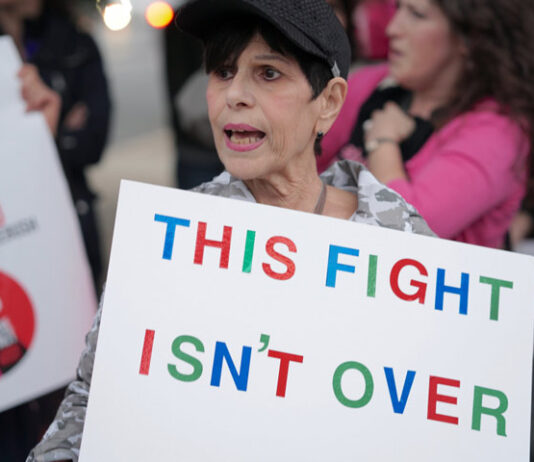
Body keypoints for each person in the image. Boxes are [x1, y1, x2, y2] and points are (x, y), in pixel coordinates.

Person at [26, 0, 434, 460]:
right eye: (222, 72)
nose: (234, 94)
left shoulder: (399, 240)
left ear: (329, 102)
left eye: (269, 73)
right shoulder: (164, 244)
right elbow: (89, 409)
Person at [317, 0, 534, 249]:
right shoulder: (373, 83)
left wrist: (382, 142)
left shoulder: (497, 135)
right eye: (398, 8)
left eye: (417, 15)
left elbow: (405, 234)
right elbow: (305, 160)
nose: (392, 28)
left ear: (468, 37)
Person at [0, 0, 112, 290]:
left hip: (69, 213)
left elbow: (93, 141)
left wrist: (37, 138)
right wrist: (51, 135)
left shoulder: (74, 42)